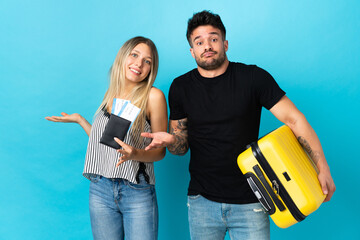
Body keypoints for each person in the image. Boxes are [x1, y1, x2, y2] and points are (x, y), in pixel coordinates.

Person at [141, 11, 336, 240]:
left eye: (213, 39)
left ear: (225, 43)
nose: (207, 46)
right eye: (199, 42)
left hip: (253, 199)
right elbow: (180, 148)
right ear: (192, 51)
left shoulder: (254, 78)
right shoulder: (181, 87)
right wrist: (172, 140)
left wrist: (322, 167)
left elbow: (294, 119)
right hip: (201, 201)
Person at [45, 36, 167, 240]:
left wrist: (134, 154)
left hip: (135, 189)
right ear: (123, 57)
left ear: (151, 69)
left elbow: (161, 151)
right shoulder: (112, 92)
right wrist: (81, 121)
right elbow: (108, 142)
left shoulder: (153, 97)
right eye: (135, 55)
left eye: (148, 61)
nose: (139, 63)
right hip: (100, 188)